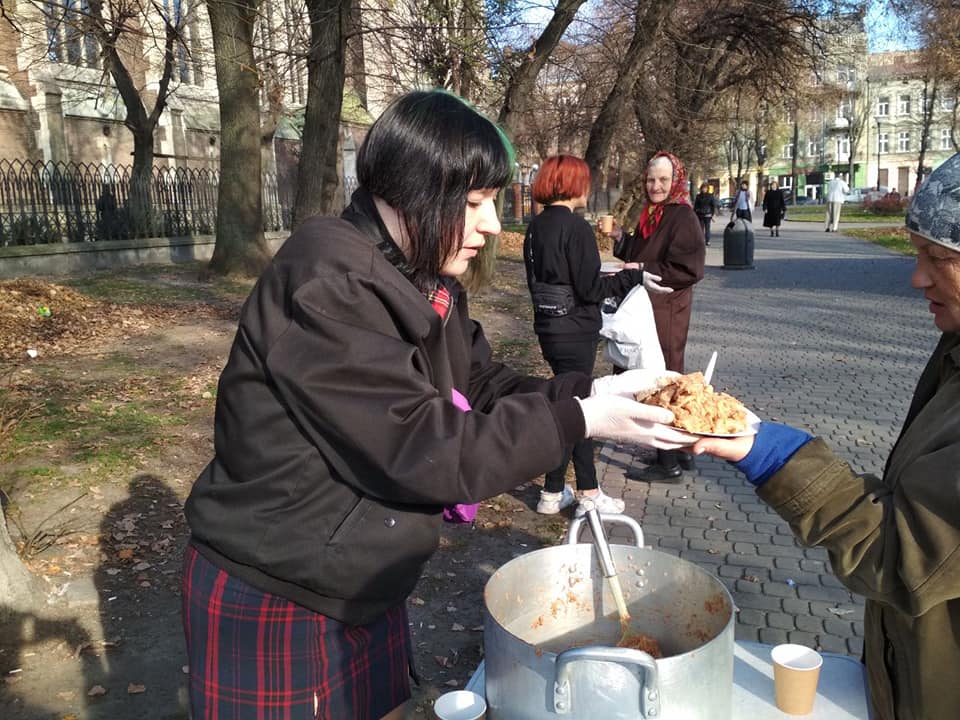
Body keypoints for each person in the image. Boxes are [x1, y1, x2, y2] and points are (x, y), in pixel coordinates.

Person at [179, 90, 693, 720]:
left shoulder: (424, 277)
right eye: (474, 203)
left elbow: (480, 383)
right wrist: (578, 420)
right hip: (284, 588)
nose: (492, 225)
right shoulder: (327, 282)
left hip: (359, 579)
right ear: (412, 191)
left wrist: (590, 392)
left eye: (493, 203)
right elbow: (425, 446)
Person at [692, 152, 960, 720]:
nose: (917, 278)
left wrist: (774, 456)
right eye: (916, 254)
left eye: (939, 259)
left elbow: (903, 553)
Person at [523, 154, 673, 515]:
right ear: (574, 184)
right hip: (575, 330)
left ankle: (553, 491)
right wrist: (632, 277)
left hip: (549, 327)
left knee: (567, 401)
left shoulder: (536, 226)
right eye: (586, 181)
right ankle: (588, 494)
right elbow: (591, 291)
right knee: (579, 408)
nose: (589, 188)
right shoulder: (575, 228)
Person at [612, 151, 706, 482]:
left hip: (666, 312)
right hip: (646, 308)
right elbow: (640, 253)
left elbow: (689, 270)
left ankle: (668, 463)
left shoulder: (682, 217)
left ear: (675, 181)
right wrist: (621, 240)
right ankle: (679, 450)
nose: (655, 186)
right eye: (651, 179)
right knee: (663, 378)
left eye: (663, 180)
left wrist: (643, 268)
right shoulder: (653, 212)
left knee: (661, 380)